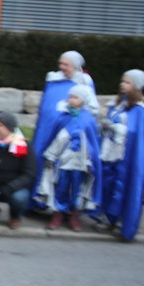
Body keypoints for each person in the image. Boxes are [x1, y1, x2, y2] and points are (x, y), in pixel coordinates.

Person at [92, 69, 144, 242]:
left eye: (127, 82)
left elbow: (135, 134)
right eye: (122, 81)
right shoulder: (117, 104)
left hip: (126, 157)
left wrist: (115, 128)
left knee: (123, 187)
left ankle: (121, 220)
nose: (122, 85)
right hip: (110, 152)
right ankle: (107, 217)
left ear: (136, 87)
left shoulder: (141, 111)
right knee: (107, 185)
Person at [32, 50, 98, 208]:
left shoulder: (84, 82)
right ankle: (41, 202)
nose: (61, 67)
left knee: (67, 173)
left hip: (72, 135)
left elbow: (90, 107)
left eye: (65, 64)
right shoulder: (53, 79)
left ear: (75, 66)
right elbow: (46, 104)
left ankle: (68, 209)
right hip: (48, 130)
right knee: (44, 162)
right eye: (60, 63)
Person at [36, 84, 102, 231]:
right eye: (70, 97)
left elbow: (93, 141)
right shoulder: (63, 117)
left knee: (77, 188)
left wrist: (92, 159)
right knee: (61, 185)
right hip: (63, 161)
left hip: (80, 162)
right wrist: (51, 155)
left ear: (83, 100)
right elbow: (54, 138)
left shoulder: (89, 119)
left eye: (75, 97)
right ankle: (58, 212)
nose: (71, 100)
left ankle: (74, 213)